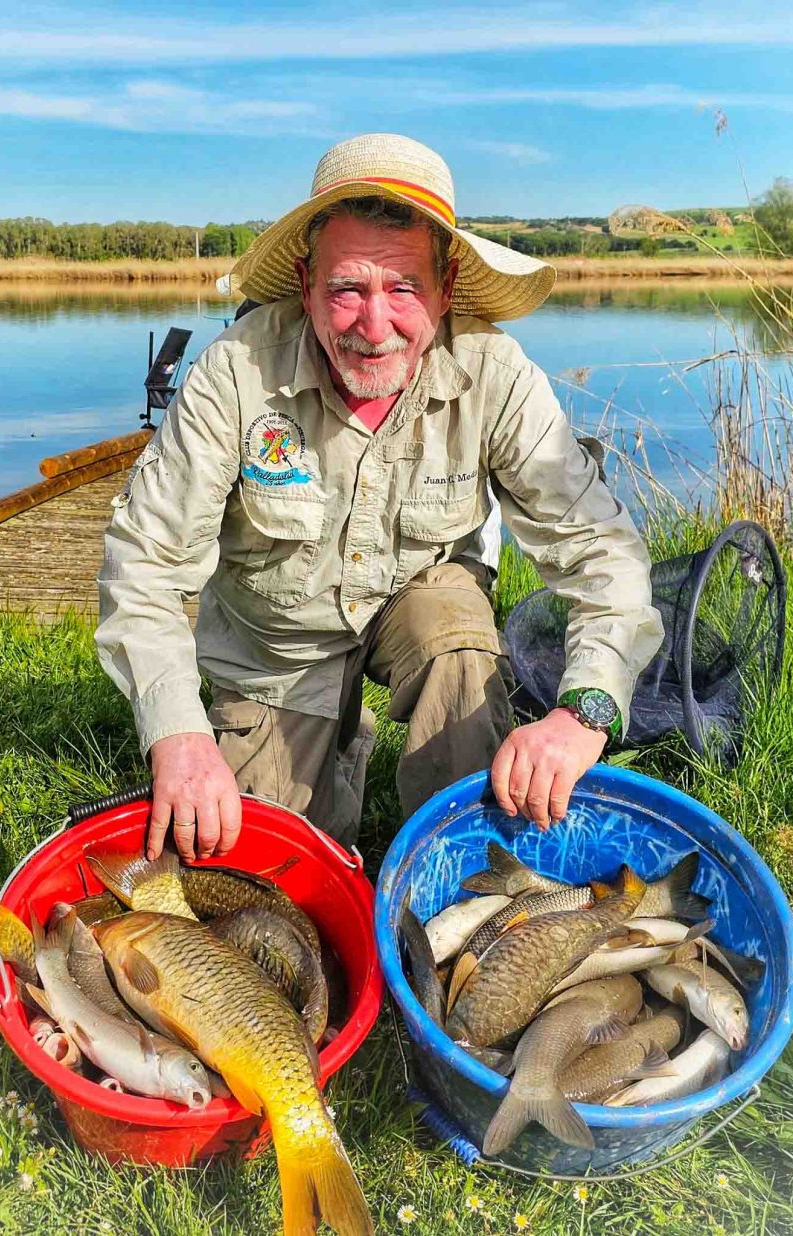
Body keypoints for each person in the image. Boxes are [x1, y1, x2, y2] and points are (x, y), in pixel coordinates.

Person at [96, 133, 663, 863]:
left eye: (402, 289)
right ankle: (333, 741)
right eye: (346, 290)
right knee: (268, 869)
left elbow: (601, 553)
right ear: (305, 286)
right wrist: (176, 733)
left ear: (446, 290)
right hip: (277, 647)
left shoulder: (495, 373)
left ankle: (462, 854)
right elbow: (142, 566)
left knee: (455, 642)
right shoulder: (232, 376)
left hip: (417, 604)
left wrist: (585, 711)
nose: (374, 326)